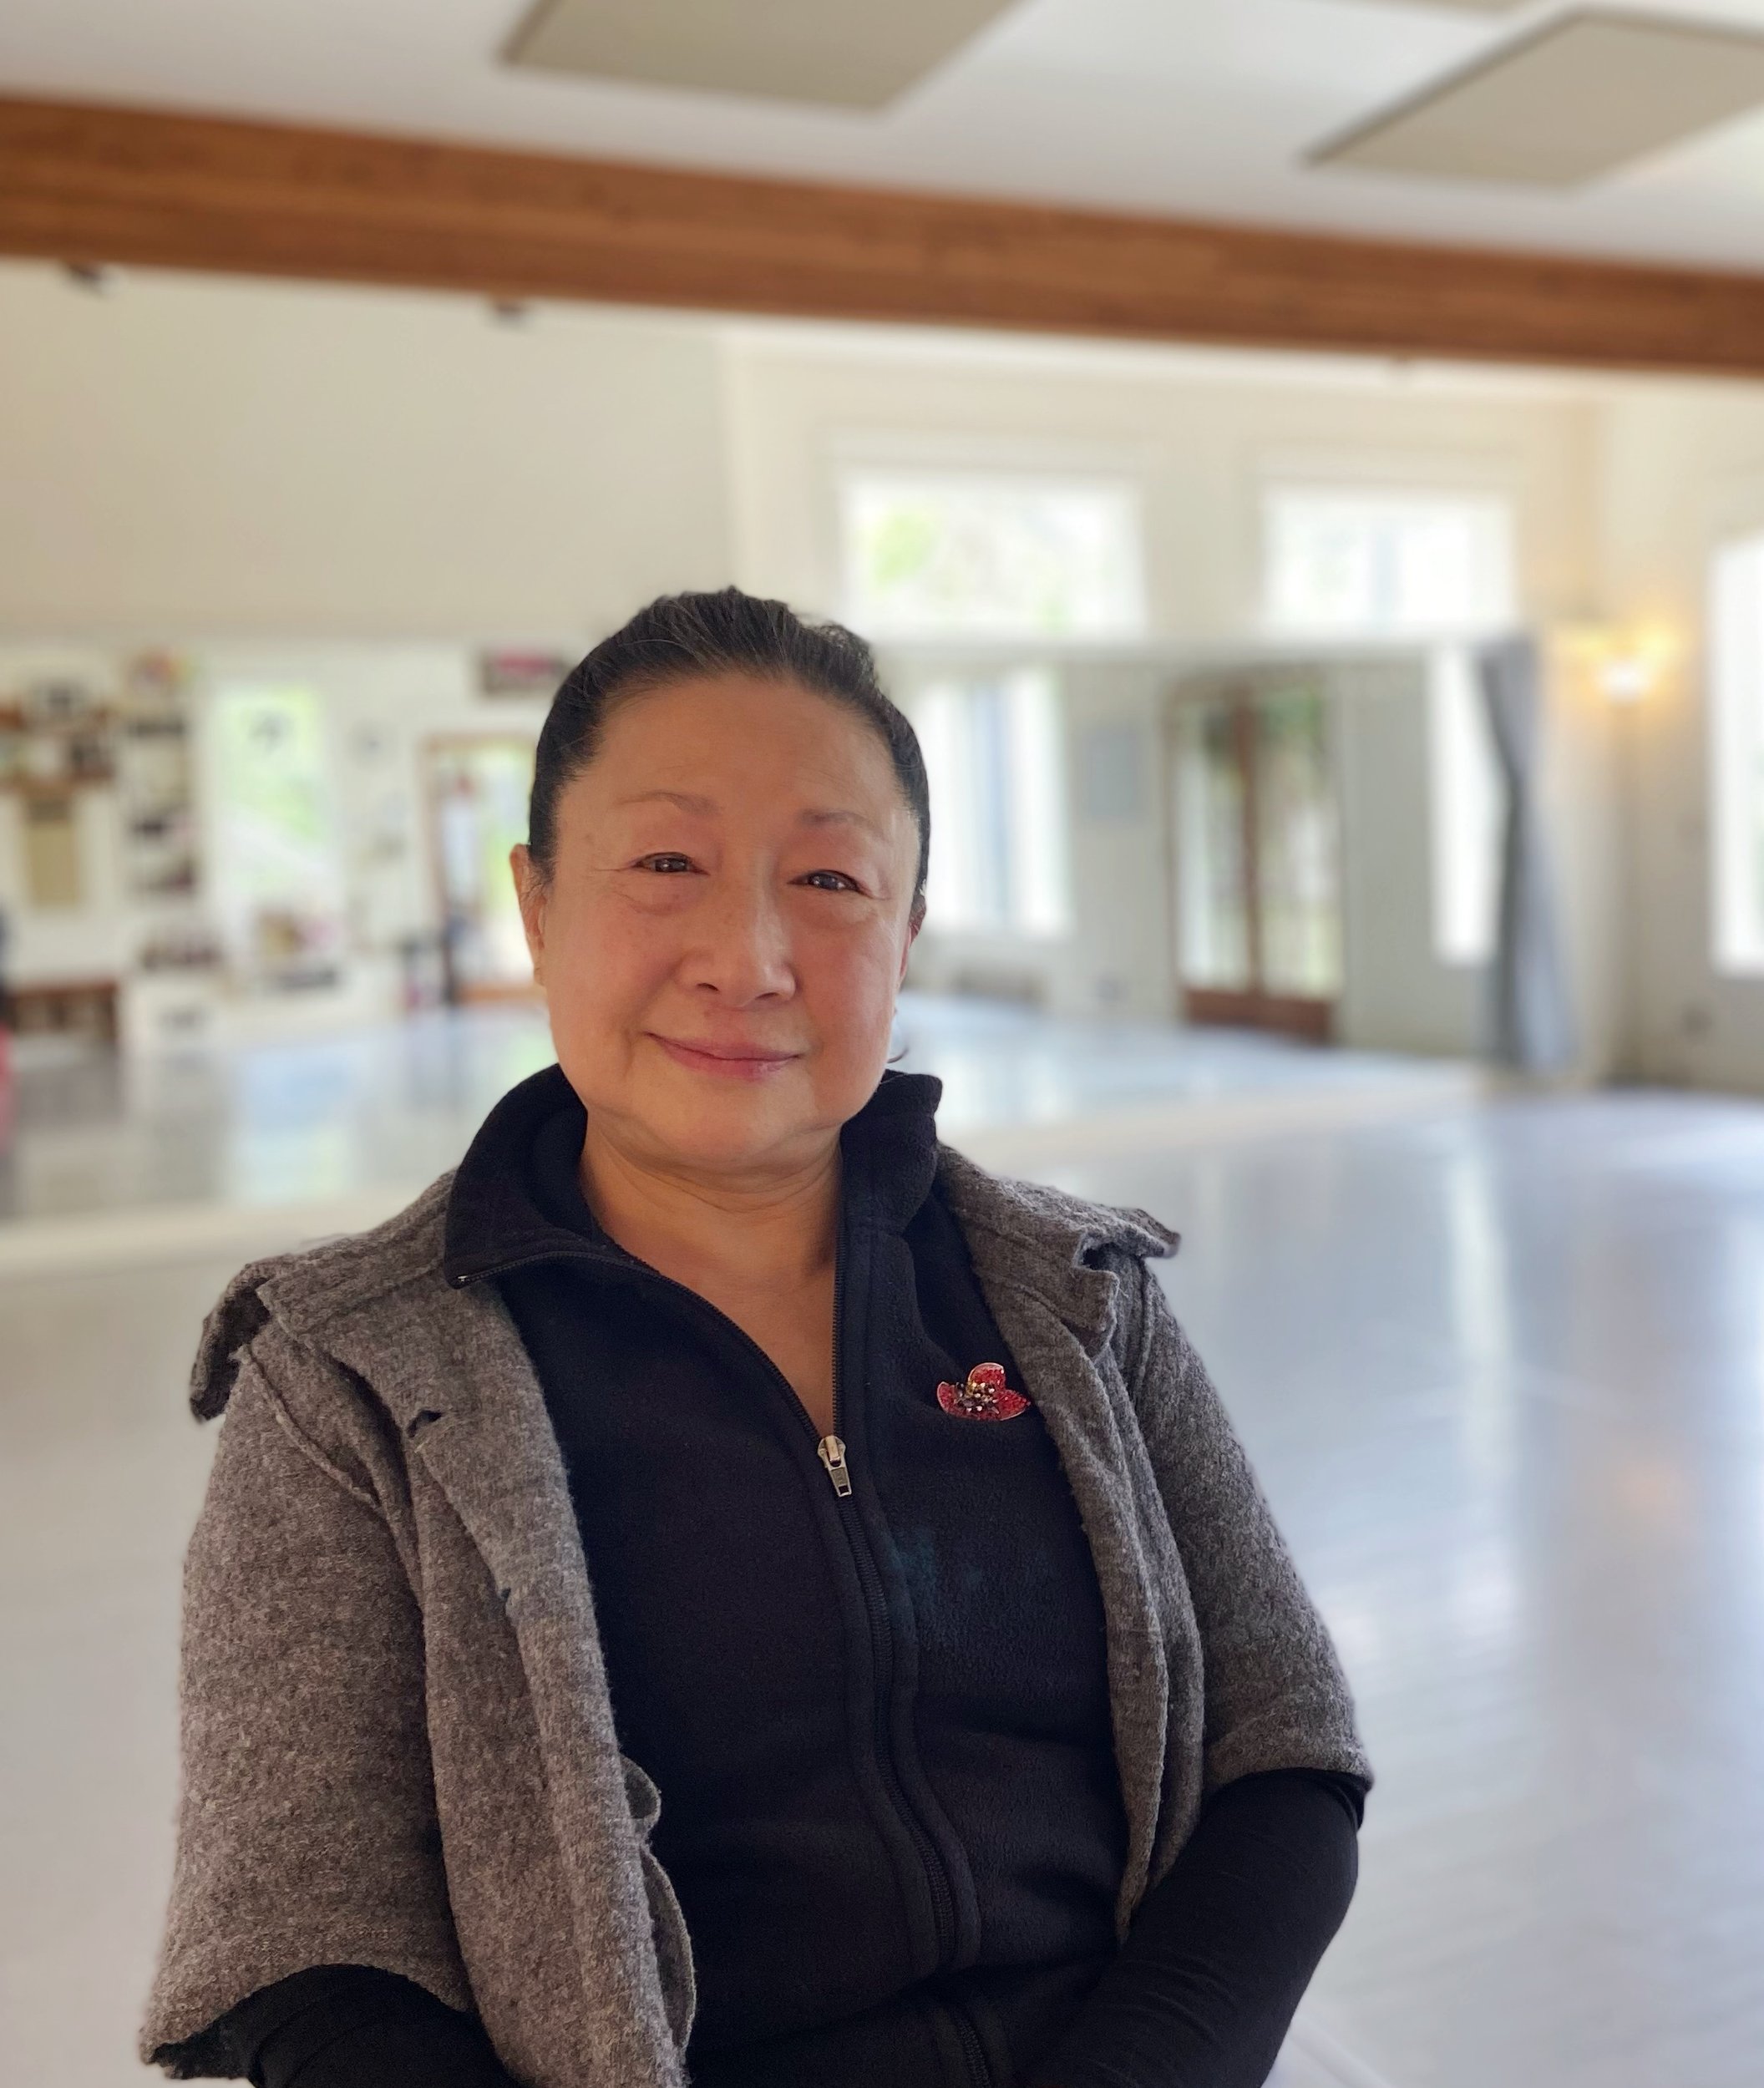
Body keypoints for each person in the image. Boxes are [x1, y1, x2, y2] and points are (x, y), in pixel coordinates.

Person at [140, 590, 1370, 2088]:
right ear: (538, 907)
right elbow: (302, 1948)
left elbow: (1283, 1753)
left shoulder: (1079, 1297)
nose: (748, 955)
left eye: (832, 881)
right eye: (666, 862)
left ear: (908, 929)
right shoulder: (350, 1381)